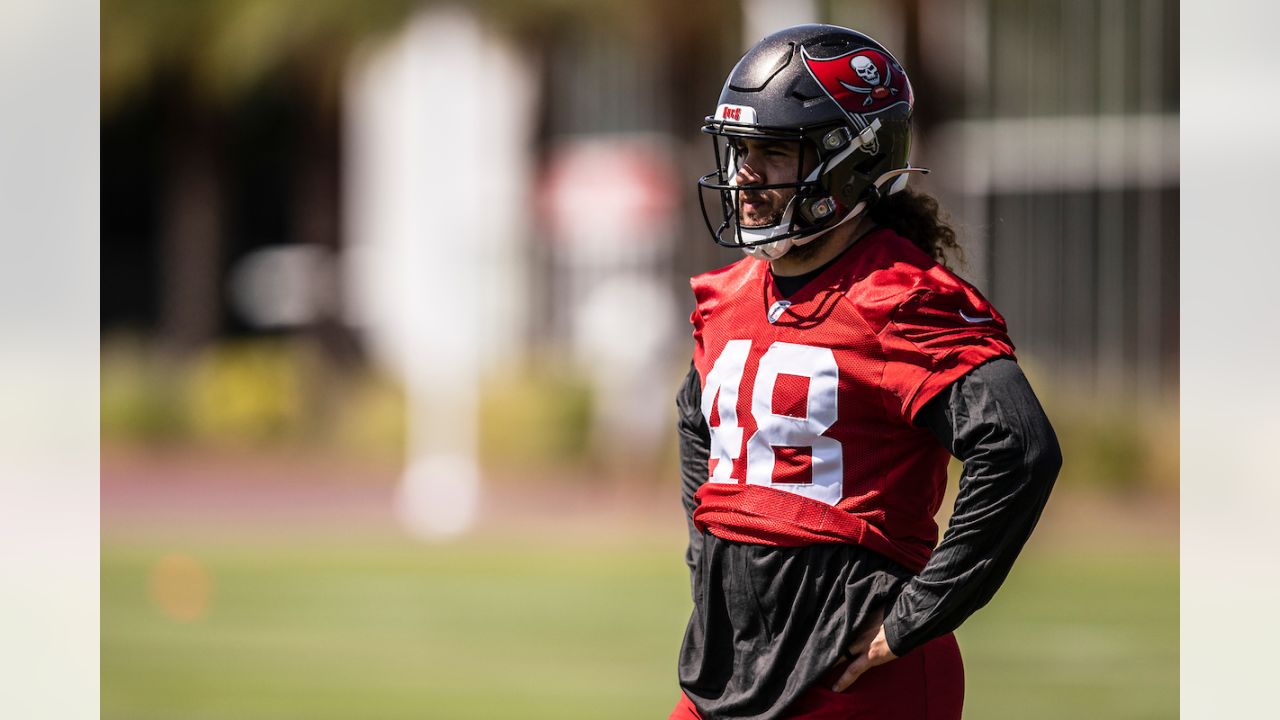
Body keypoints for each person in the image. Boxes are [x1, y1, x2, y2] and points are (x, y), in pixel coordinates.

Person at [670, 24, 1061, 720]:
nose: (743, 176)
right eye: (739, 151)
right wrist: (711, 554)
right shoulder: (729, 294)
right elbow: (697, 420)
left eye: (772, 152)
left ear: (849, 161)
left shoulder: (900, 297)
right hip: (734, 660)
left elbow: (1018, 447)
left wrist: (915, 616)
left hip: (854, 671)